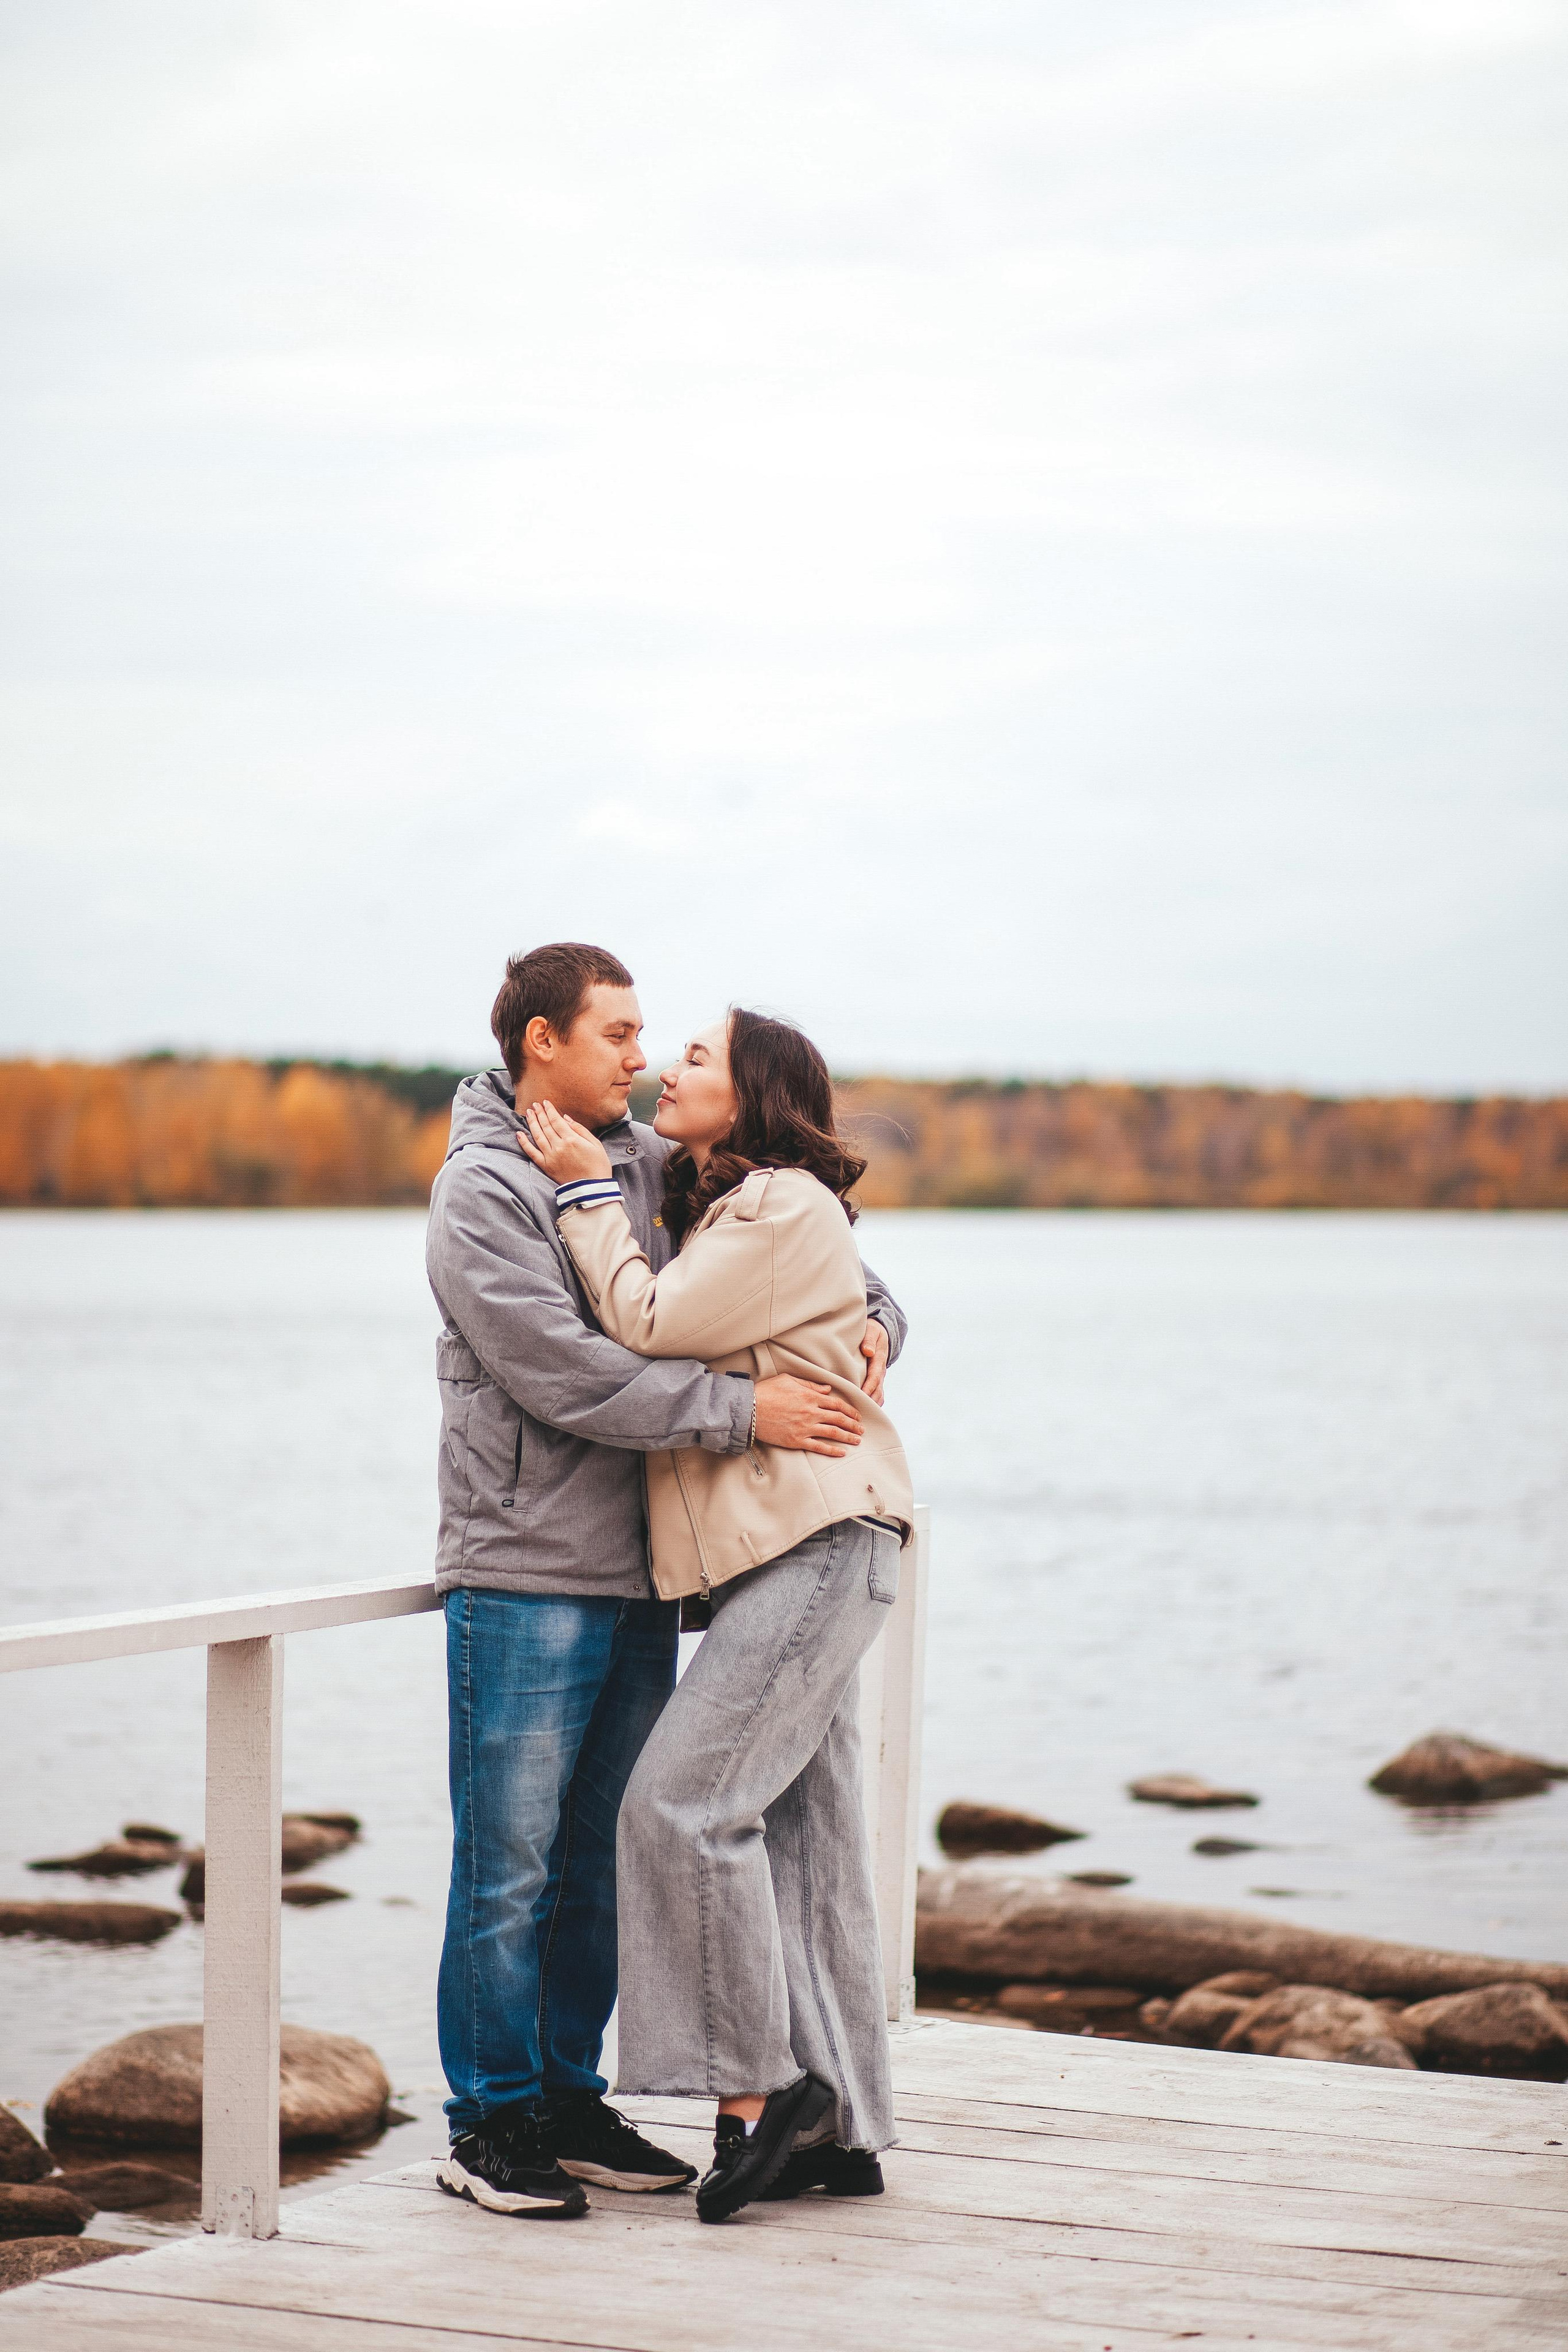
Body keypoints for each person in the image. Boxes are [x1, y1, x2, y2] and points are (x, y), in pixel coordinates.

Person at [426, 943, 907, 2221]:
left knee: (602, 1854)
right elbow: (570, 1376)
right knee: (510, 1866)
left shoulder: (632, 1161)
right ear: (542, 1045)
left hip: (643, 1576)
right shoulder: (483, 1191)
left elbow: (817, 1250)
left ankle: (571, 2096)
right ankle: (489, 2121)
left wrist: (880, 1328)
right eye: (619, 1037)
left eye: (656, 1042)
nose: (641, 1061)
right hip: (525, 1568)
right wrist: (745, 1413)